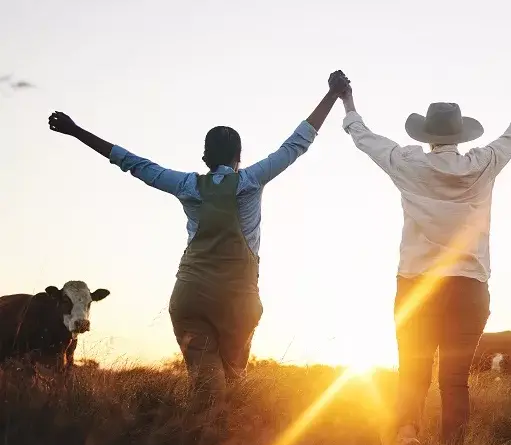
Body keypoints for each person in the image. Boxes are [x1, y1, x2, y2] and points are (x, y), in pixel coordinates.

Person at [47, 71, 352, 410]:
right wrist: (332, 95)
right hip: (239, 301)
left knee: (207, 388)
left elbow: (132, 162)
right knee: (234, 383)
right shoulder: (250, 180)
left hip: (192, 298)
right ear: (239, 157)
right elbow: (297, 143)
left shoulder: (186, 185)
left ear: (205, 158)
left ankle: (192, 441)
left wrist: (75, 131)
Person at [336, 66, 511, 445]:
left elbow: (364, 138)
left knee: (413, 374)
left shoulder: (408, 163)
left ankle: (409, 434)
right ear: (459, 135)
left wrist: (346, 101)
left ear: (428, 137)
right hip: (468, 288)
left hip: (417, 285)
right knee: (454, 379)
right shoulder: (484, 163)